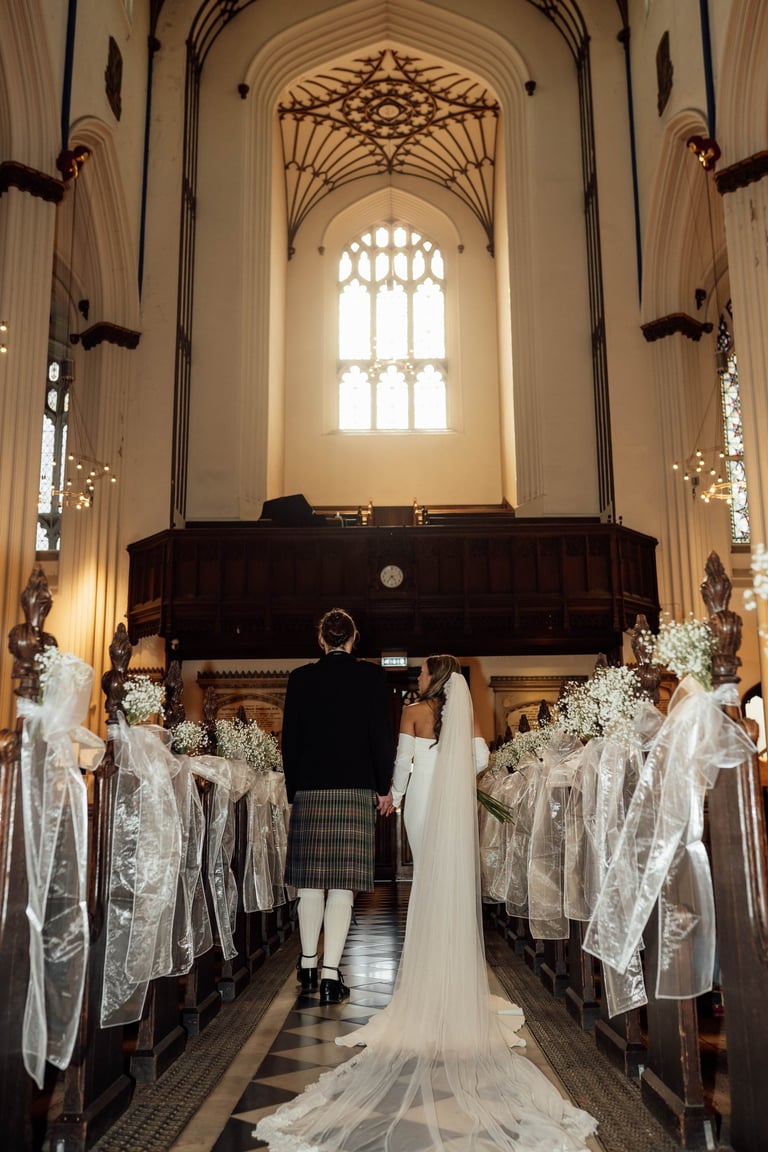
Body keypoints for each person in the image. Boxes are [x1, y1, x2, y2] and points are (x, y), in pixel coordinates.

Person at [258, 660, 598, 1151]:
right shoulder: (465, 714)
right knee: (452, 881)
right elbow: (480, 758)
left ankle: (409, 975)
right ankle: (451, 974)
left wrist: (391, 795)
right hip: (453, 801)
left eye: (419, 673)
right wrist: (453, 774)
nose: (414, 680)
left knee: (427, 881)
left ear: (431, 679)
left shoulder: (413, 712)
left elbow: (400, 764)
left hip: (419, 804)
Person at [281, 607, 394, 1005]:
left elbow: (289, 742)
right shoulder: (371, 677)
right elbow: (381, 738)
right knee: (343, 885)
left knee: (310, 883)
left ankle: (308, 964)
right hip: (353, 789)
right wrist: (384, 788)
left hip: (310, 790)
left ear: (321, 640)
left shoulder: (300, 679)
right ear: (353, 637)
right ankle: (331, 976)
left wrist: (295, 792)